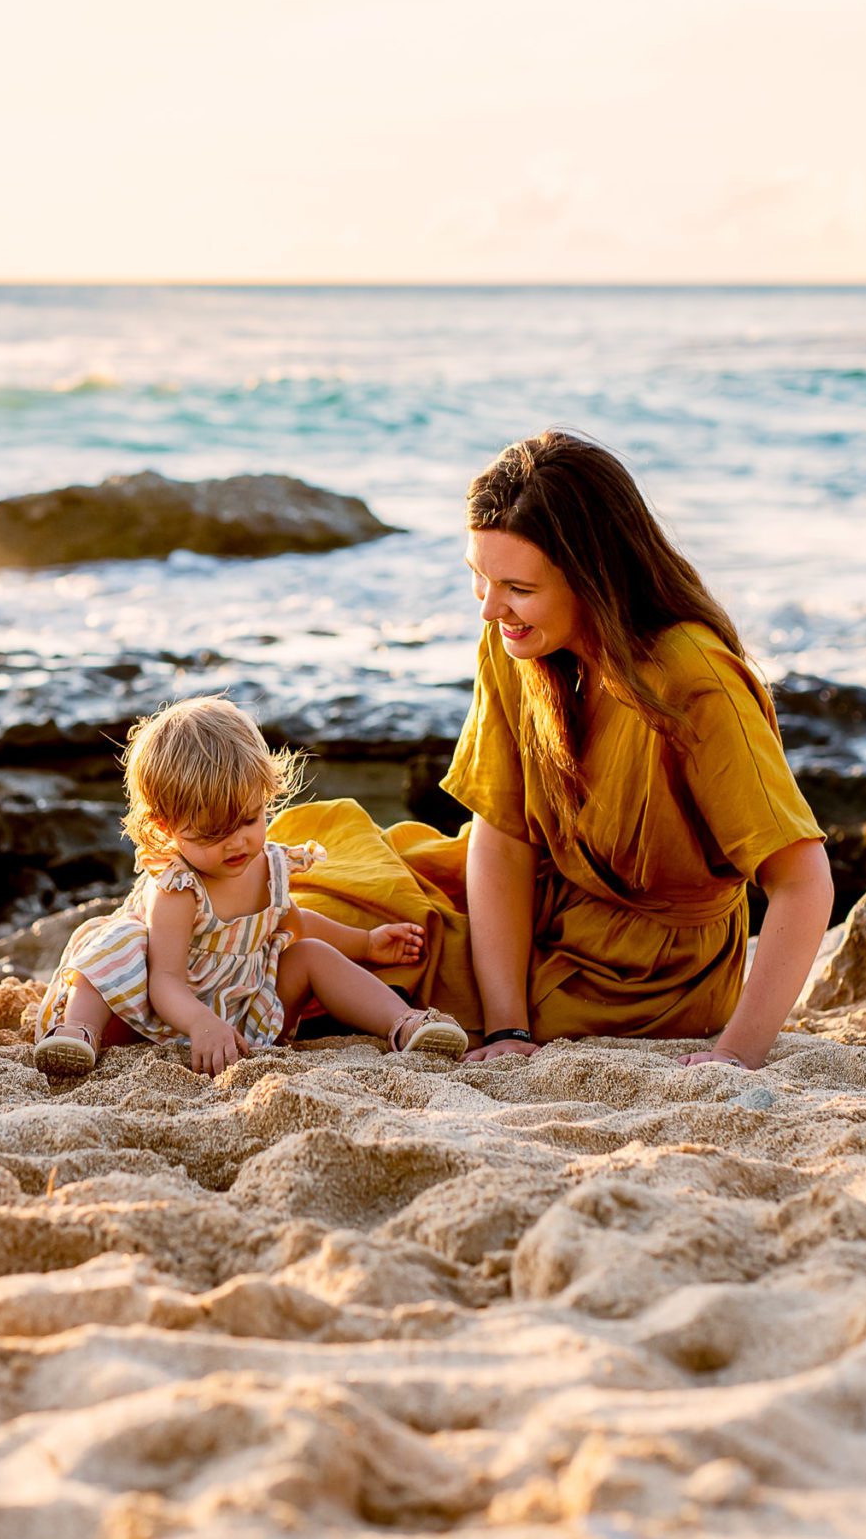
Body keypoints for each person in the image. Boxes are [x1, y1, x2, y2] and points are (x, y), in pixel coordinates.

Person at [273, 429, 831, 1069]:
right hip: (537, 899)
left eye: (517, 587)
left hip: (644, 973)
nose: (490, 609)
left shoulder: (693, 682)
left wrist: (737, 1053)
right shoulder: (519, 642)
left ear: (593, 577)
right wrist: (506, 1027)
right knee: (300, 901)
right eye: (478, 578)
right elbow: (503, 836)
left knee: (346, 961)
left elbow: (803, 881)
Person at [26, 696, 469, 1077]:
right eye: (212, 834)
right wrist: (201, 1023)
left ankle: (405, 1024)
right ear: (166, 828)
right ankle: (77, 1032)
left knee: (309, 954)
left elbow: (295, 922)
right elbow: (164, 982)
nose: (237, 842)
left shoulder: (268, 863)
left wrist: (367, 943)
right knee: (112, 940)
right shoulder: (178, 887)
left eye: (250, 820)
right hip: (152, 1019)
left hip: (243, 1012)